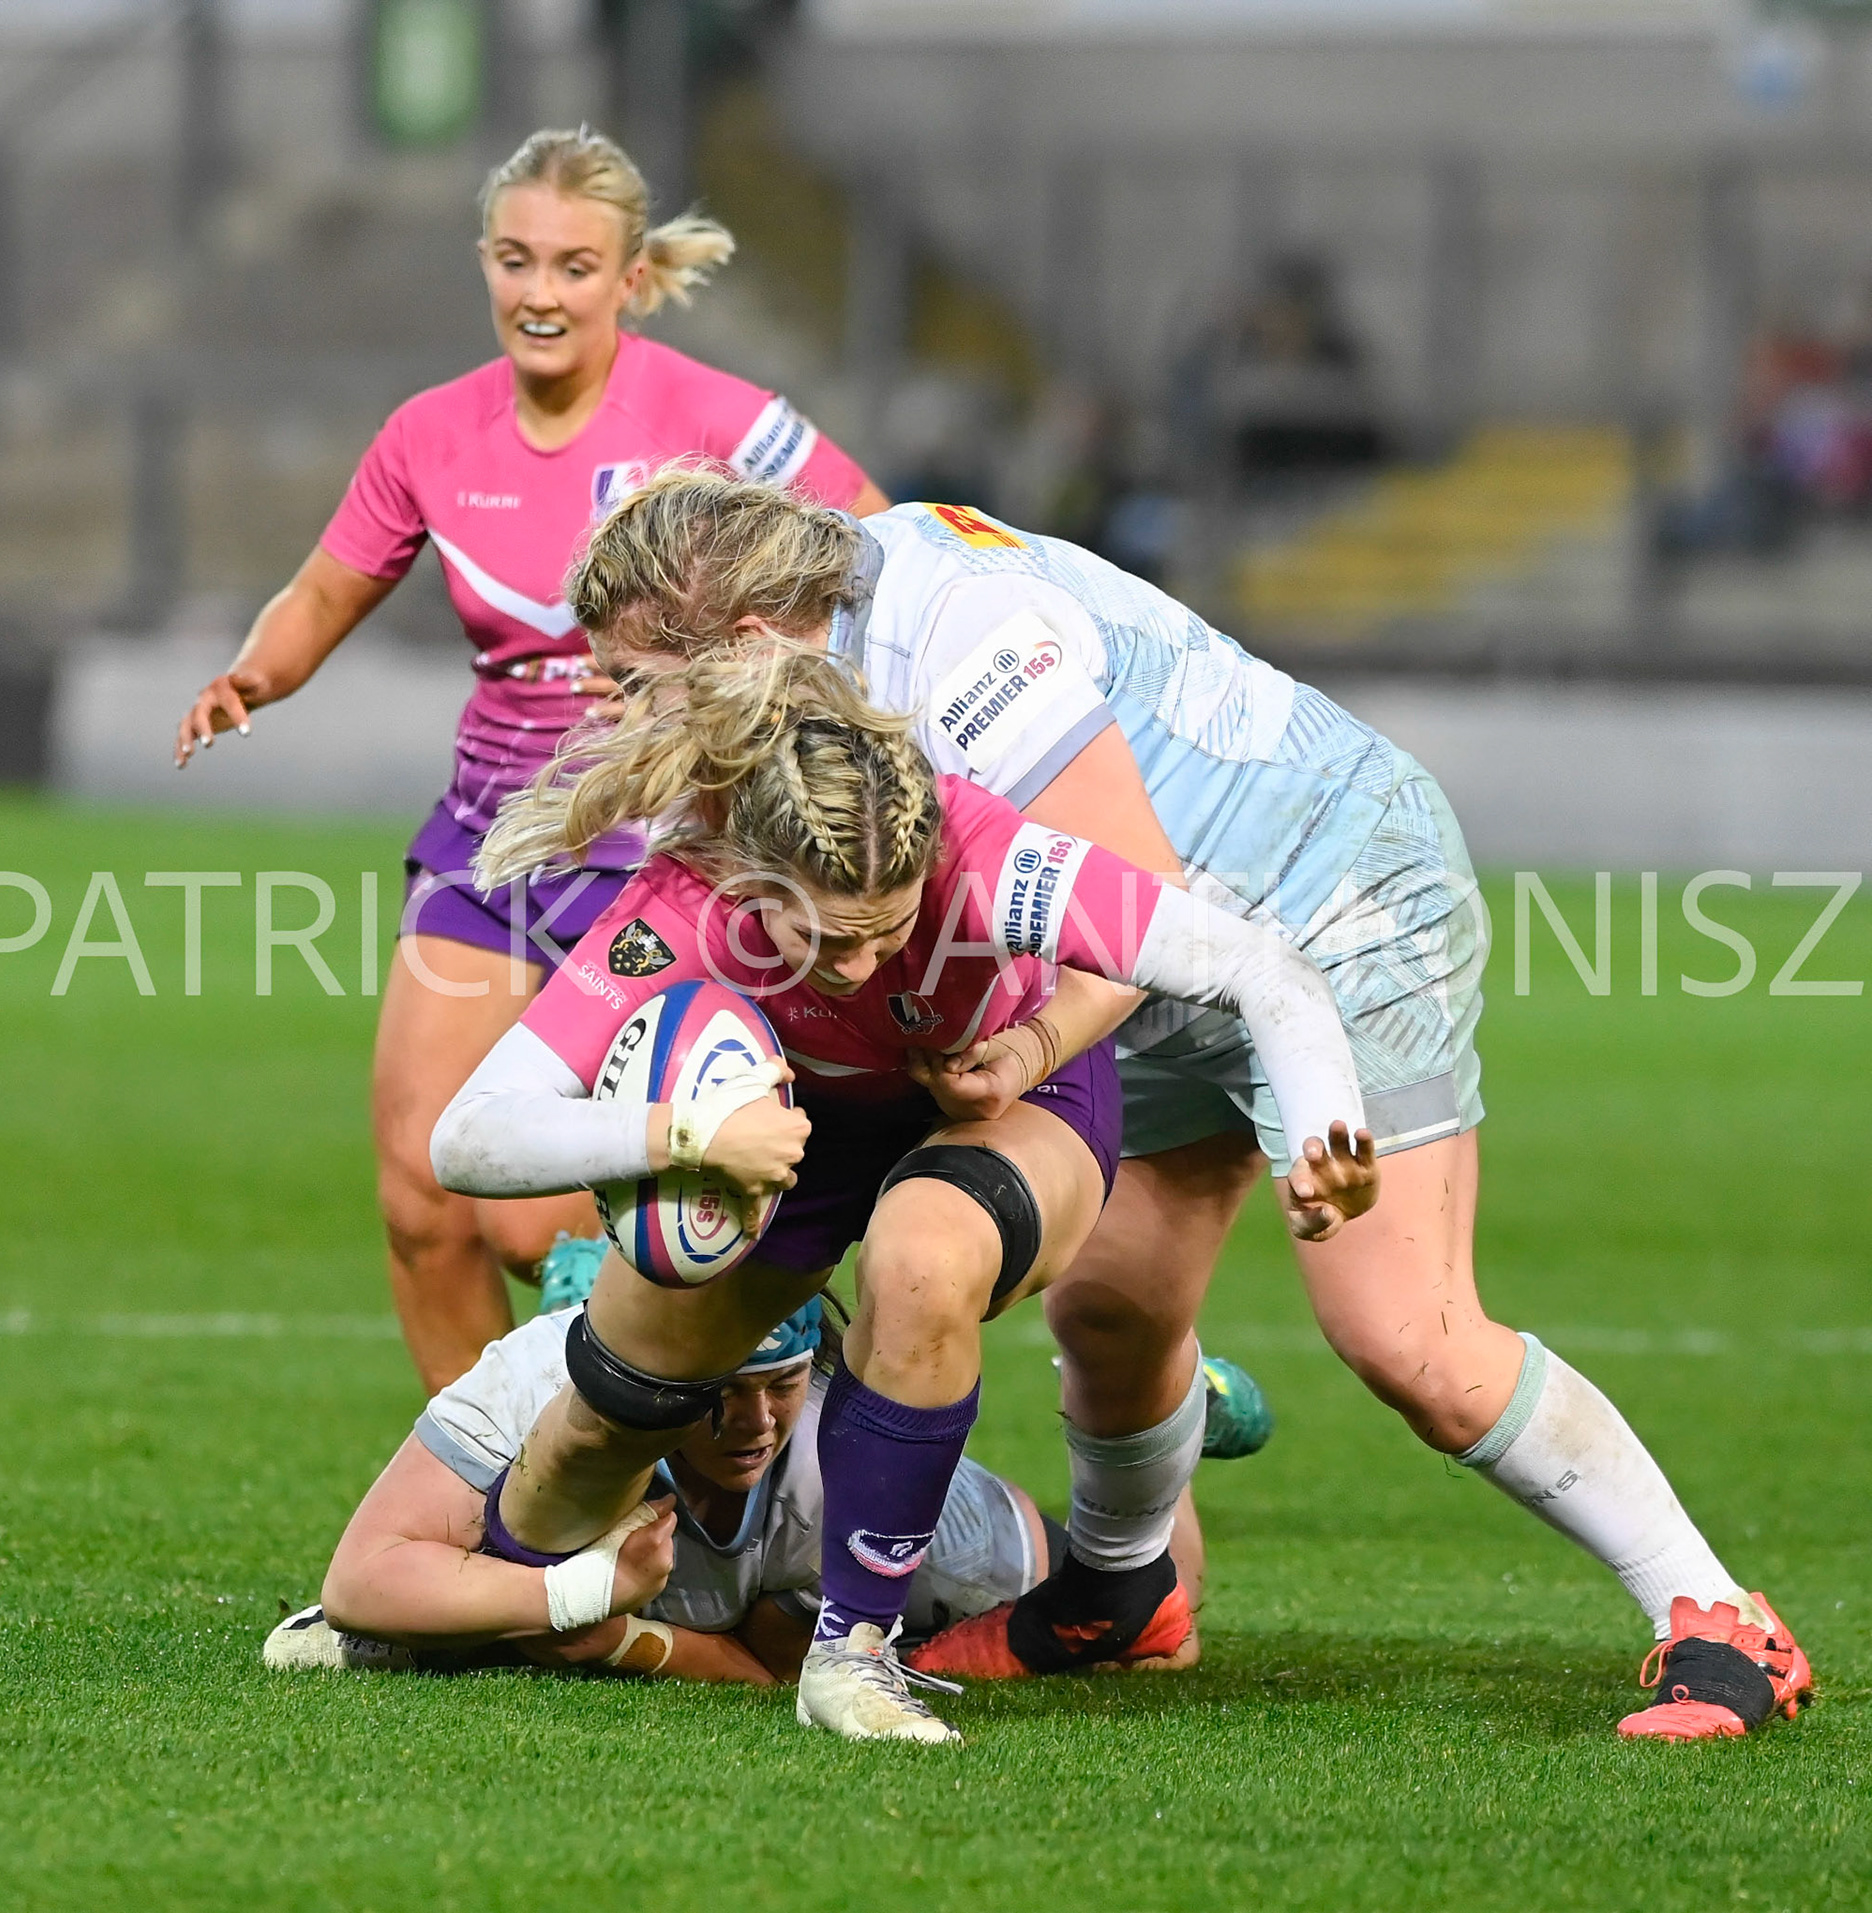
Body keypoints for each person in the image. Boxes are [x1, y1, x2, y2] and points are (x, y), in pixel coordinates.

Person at [557, 468, 1813, 1743]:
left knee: (1409, 1335)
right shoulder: (820, 625)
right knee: (1113, 1306)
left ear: (752, 639)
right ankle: (1121, 1591)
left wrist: (1034, 1042)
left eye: (635, 681)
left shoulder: (958, 638)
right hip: (1153, 955)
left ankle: (1717, 1615)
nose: (612, 709)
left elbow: (1143, 885)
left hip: (1331, 897)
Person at [428, 652, 1375, 1740]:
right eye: (826, 937)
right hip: (790, 1130)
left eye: (891, 926)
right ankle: (472, 1604)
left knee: (919, 1261)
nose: (862, 959)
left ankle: (855, 1655)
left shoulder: (992, 855)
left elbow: (1263, 967)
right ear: (752, 879)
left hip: (1004, 1099)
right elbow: (467, 1135)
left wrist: (1319, 1134)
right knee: (616, 1405)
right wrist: (686, 1134)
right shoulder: (685, 898)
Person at [169, 128, 888, 1395]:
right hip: (489, 845)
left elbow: (879, 553)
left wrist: (754, 678)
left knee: (528, 1221)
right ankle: (481, 1493)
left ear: (626, 276)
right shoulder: (430, 435)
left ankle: (693, 1418)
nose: (541, 293)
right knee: (421, 1194)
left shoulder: (718, 417)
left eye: (573, 265)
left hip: (661, 854)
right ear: (485, 265)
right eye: (515, 262)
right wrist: (252, 674)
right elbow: (325, 586)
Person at [267, 1296, 1211, 1682]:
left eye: (785, 1385)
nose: (757, 1422)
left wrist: (623, 1635)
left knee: (1155, 1612)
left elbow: (777, 1671)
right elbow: (357, 1583)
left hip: (960, 1552)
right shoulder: (528, 1378)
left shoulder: (835, 1472)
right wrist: (573, 1597)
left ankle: (1176, 1388)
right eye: (727, 1391)